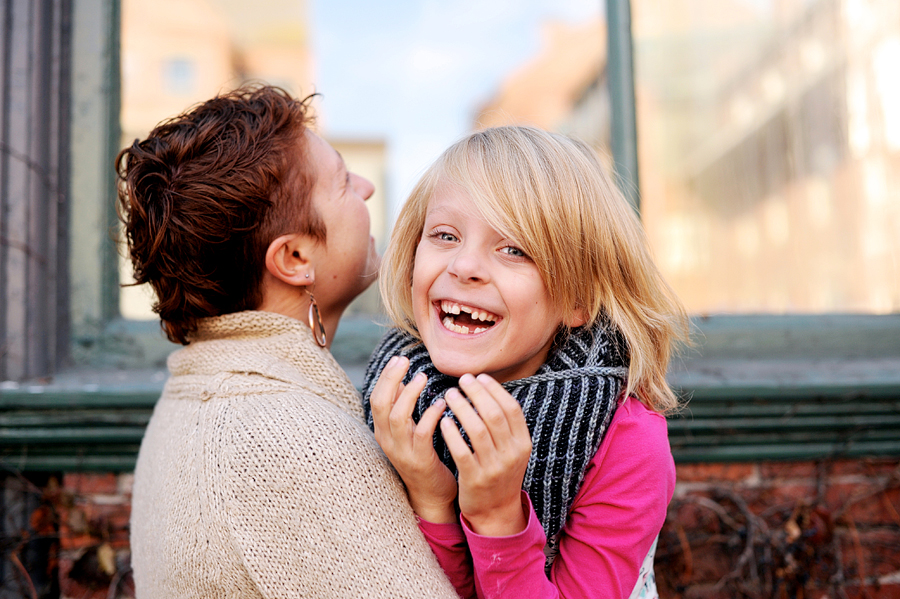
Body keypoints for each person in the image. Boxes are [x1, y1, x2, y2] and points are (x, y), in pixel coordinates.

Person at [117, 85, 460, 599]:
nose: (366, 188)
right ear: (296, 258)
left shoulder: (205, 395)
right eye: (343, 181)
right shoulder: (288, 442)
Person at [362, 126, 690, 598]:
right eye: (445, 235)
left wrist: (498, 517)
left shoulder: (627, 442)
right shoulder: (395, 399)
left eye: (513, 249)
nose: (463, 266)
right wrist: (431, 497)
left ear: (578, 299)